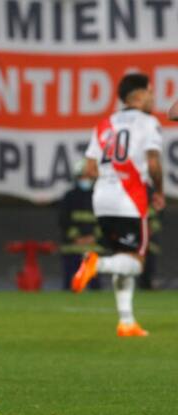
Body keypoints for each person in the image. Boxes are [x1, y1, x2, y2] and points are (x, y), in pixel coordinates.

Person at [72, 73, 165, 337]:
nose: (153, 97)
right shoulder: (148, 123)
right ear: (139, 94)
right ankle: (96, 265)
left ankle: (126, 321)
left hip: (102, 199)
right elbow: (154, 163)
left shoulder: (104, 124)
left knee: (122, 258)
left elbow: (89, 169)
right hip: (130, 200)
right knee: (136, 262)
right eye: (150, 92)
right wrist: (158, 191)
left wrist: (112, 174)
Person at [58, 160, 102, 291]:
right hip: (72, 249)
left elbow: (104, 222)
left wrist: (94, 237)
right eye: (83, 177)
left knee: (95, 287)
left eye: (88, 177)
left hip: (93, 250)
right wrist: (76, 238)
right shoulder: (69, 197)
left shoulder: (99, 196)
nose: (86, 180)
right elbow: (63, 221)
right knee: (70, 285)